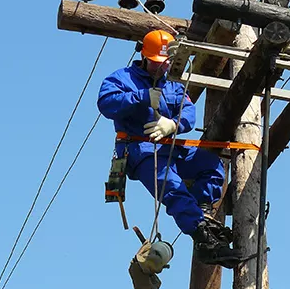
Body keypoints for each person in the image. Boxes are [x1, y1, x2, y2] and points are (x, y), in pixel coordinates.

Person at [97, 29, 242, 268]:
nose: (161, 68)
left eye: (164, 64)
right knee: (172, 188)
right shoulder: (122, 78)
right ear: (143, 56)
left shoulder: (173, 86)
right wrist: (141, 97)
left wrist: (173, 124)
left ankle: (201, 214)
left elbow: (189, 112)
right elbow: (105, 103)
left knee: (212, 165)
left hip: (172, 148)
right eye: (156, 64)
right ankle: (203, 239)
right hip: (141, 151)